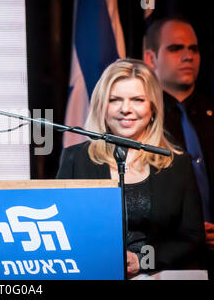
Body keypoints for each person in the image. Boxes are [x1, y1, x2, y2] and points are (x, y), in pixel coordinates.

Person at [57, 59, 204, 276]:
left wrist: (143, 259)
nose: (126, 109)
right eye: (115, 100)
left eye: (137, 99)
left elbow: (192, 236)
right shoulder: (75, 158)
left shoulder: (176, 162)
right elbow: (61, 228)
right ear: (101, 106)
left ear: (152, 106)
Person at [143, 17, 214, 280]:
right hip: (166, 266)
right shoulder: (138, 121)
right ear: (151, 58)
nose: (188, 56)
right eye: (176, 48)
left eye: (194, 49)